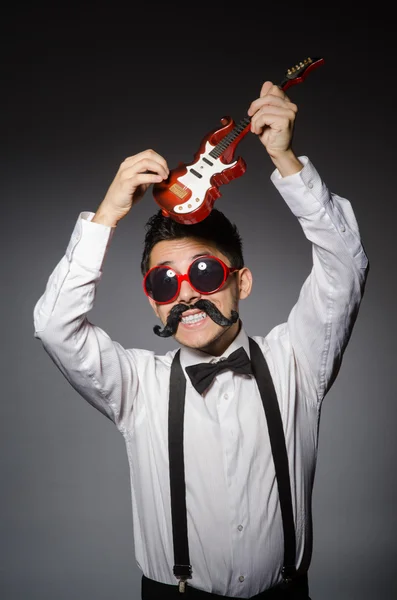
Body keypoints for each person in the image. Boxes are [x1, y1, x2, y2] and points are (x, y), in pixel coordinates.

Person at [33, 81, 369, 599]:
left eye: (206, 272)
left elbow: (345, 266)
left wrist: (285, 160)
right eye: (165, 282)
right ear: (154, 300)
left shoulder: (297, 361)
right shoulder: (136, 386)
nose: (187, 294)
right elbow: (55, 325)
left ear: (242, 281)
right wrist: (108, 214)